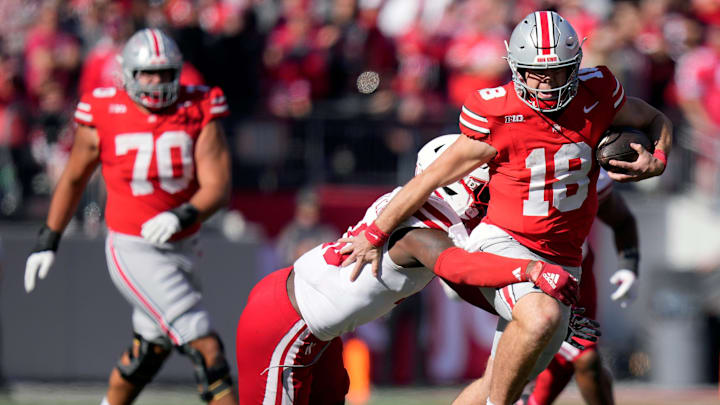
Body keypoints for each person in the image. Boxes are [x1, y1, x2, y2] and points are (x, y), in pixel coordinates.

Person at [340, 11, 673, 405]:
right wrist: (375, 232)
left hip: (565, 261)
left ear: (576, 65)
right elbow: (427, 180)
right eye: (535, 72)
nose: (545, 83)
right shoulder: (496, 110)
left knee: (499, 380)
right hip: (506, 245)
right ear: (515, 67)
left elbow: (654, 118)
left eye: (557, 71)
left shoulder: (598, 91)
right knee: (542, 318)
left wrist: (660, 158)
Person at [235, 135, 583, 404]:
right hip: (285, 324)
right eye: (484, 189)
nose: (490, 198)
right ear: (454, 186)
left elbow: (471, 284)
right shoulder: (420, 235)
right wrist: (532, 270)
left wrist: (535, 307)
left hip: (313, 327)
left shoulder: (417, 215)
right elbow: (460, 268)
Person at [23, 29, 236, 405]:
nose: (156, 83)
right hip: (132, 247)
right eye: (147, 74)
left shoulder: (199, 106)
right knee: (206, 347)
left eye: (165, 73)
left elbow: (217, 186)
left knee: (148, 352)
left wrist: (181, 215)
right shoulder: (103, 109)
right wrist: (48, 240)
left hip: (184, 243)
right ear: (127, 75)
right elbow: (74, 178)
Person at [519, 168, 639, 405]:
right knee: (516, 358)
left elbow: (622, 218)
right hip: (521, 274)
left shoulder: (583, 164)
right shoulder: (506, 162)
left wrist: (629, 265)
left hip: (574, 276)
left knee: (584, 359)